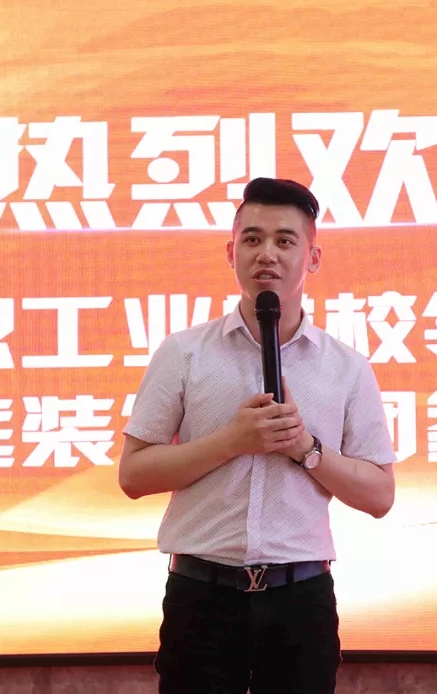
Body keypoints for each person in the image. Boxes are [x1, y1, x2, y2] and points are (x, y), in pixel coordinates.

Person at [118, 177, 397, 694]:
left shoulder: (346, 367)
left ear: (313, 258)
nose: (266, 253)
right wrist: (232, 440)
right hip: (201, 595)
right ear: (231, 253)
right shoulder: (184, 353)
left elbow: (380, 496)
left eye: (285, 240)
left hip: (301, 598)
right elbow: (133, 475)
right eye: (252, 239)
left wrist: (307, 449)